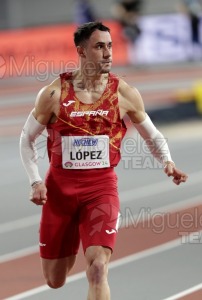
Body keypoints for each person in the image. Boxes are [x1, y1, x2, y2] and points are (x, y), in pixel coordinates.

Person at [19, 22, 188, 300]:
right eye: (99, 46)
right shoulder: (53, 94)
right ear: (81, 51)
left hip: (101, 191)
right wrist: (36, 180)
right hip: (59, 193)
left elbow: (153, 135)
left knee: (98, 268)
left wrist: (167, 162)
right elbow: (26, 139)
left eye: (110, 45)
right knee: (54, 280)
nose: (108, 53)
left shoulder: (124, 93)